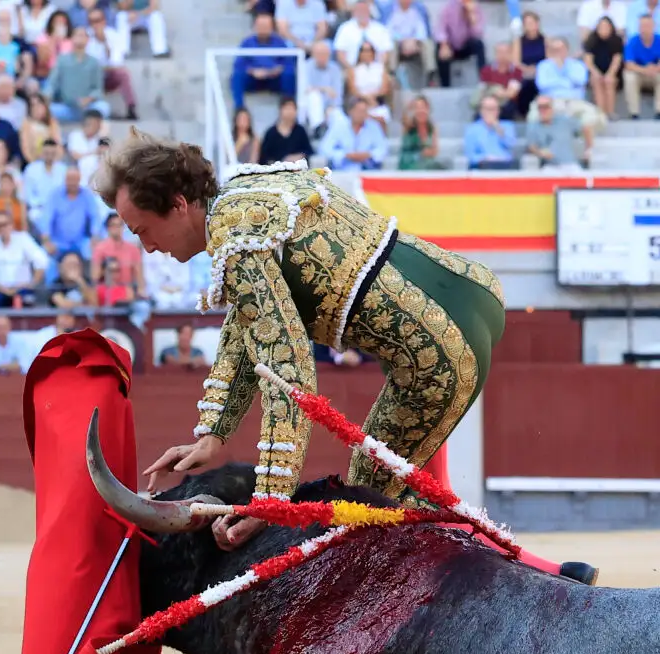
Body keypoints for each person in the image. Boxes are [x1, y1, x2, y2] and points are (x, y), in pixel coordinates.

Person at [99, 134, 597, 584]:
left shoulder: (236, 239)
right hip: (469, 291)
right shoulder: (244, 194)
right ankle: (556, 573)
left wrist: (272, 499)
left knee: (363, 506)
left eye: (144, 230)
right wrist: (214, 432)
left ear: (180, 204)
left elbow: (286, 371)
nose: (147, 247)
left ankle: (515, 597)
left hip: (438, 353)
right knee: (409, 494)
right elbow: (249, 326)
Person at [534, 36, 605, 143]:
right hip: (551, 102)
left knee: (594, 117)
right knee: (534, 116)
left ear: (566, 50)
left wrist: (559, 75)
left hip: (574, 102)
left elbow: (580, 81)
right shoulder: (543, 66)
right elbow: (542, 84)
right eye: (554, 50)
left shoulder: (578, 65)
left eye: (560, 49)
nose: (557, 52)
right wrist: (566, 81)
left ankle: (586, 148)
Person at [231, 13, 297, 110]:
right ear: (255, 26)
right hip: (254, 78)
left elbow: (288, 62)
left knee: (289, 74)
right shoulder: (247, 42)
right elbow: (239, 64)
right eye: (260, 26)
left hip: (274, 78)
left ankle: (288, 107)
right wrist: (252, 71)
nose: (263, 29)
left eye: (266, 26)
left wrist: (276, 70)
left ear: (272, 27)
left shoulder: (279, 42)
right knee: (236, 76)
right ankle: (239, 109)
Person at [0, 209, 48, 305]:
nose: (2, 228)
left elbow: (42, 260)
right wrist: (7, 291)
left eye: (4, 224)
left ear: (11, 225)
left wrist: (32, 283)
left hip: (23, 289)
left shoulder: (23, 238)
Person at [45, 26, 110, 121]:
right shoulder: (62, 60)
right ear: (72, 38)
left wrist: (88, 99)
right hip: (66, 107)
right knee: (48, 110)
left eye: (83, 35)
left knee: (104, 108)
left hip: (88, 107)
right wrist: (47, 97)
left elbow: (98, 89)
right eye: (77, 35)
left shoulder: (94, 62)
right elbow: (52, 83)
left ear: (88, 40)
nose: (80, 37)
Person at [85, 7, 138, 118]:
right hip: (90, 78)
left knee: (123, 74)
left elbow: (116, 63)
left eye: (98, 20)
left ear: (104, 21)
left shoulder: (113, 36)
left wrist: (104, 43)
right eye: (92, 21)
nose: (95, 24)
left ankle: (131, 108)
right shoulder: (85, 37)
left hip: (108, 76)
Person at [40, 166, 100, 258]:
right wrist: (46, 238)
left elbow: (95, 216)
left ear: (79, 179)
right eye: (69, 179)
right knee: (45, 255)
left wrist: (95, 235)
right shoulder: (55, 194)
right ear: (65, 179)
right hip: (58, 242)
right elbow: (47, 217)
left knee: (94, 251)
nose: (72, 183)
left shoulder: (87, 195)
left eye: (74, 179)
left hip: (80, 241)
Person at [320, 96, 388, 169]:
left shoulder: (374, 127)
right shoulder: (339, 126)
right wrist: (345, 155)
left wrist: (369, 155)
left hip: (368, 171)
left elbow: (383, 148)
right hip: (342, 171)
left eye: (364, 111)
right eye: (359, 111)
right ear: (350, 111)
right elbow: (324, 149)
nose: (362, 114)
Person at [435, 0, 486, 87]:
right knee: (439, 49)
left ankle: (483, 81)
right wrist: (444, 44)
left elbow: (478, 33)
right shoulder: (449, 7)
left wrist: (471, 16)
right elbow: (441, 29)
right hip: (451, 45)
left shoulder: (476, 8)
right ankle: (445, 85)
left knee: (479, 44)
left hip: (466, 45)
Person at [346, 39, 395, 128]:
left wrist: (373, 98)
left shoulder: (380, 68)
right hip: (359, 102)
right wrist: (367, 99)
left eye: (369, 50)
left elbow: (384, 88)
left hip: (377, 102)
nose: (366, 53)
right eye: (364, 51)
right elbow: (352, 89)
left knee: (380, 118)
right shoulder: (353, 70)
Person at [526, 95, 586, 166]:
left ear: (552, 107)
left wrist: (588, 148)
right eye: (540, 107)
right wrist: (540, 153)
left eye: (545, 107)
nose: (542, 110)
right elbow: (531, 147)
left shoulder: (564, 120)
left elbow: (585, 127)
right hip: (549, 166)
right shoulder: (533, 126)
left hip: (570, 164)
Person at [583, 16, 623, 118]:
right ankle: (601, 114)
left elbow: (616, 60)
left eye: (606, 26)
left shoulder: (617, 40)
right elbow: (588, 61)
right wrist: (596, 73)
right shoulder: (591, 40)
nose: (604, 29)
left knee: (610, 81)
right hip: (595, 71)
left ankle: (610, 112)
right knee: (597, 81)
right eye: (601, 26)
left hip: (612, 71)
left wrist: (610, 74)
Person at [388, 0, 437, 83]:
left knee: (428, 44)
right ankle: (392, 74)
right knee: (391, 45)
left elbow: (422, 31)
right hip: (399, 43)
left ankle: (430, 73)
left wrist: (414, 41)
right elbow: (389, 32)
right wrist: (402, 41)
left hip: (414, 43)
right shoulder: (393, 13)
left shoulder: (416, 13)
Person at [333, 0, 393, 67]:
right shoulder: (344, 29)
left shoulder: (381, 30)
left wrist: (377, 69)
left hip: (376, 70)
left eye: (364, 10)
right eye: (359, 10)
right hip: (351, 70)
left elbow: (385, 53)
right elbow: (340, 53)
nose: (362, 12)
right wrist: (350, 69)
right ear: (354, 12)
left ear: (369, 11)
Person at [23, 136, 66, 227]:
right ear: (42, 153)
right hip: (38, 209)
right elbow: (28, 194)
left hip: (59, 209)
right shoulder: (31, 169)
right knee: (35, 216)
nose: (49, 156)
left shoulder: (63, 169)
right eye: (47, 153)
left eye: (52, 153)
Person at [464, 95, 518, 167]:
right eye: (487, 109)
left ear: (498, 111)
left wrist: (497, 127)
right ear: (481, 111)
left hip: (505, 165)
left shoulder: (508, 126)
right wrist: (485, 158)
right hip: (482, 167)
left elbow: (511, 145)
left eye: (493, 109)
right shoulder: (472, 129)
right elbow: (470, 155)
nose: (490, 112)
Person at [302, 39, 343, 134]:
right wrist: (325, 89)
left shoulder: (335, 69)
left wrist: (331, 107)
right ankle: (317, 129)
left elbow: (337, 94)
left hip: (330, 107)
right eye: (319, 54)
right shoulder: (305, 67)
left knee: (339, 118)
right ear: (313, 54)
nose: (322, 57)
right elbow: (306, 90)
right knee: (314, 96)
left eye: (325, 54)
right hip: (309, 106)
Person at [623, 13, 660, 116]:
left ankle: (659, 111)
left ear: (653, 26)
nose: (645, 29)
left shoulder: (659, 40)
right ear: (639, 27)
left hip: (655, 73)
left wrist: (655, 69)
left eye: (648, 26)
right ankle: (634, 113)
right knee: (629, 76)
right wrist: (645, 70)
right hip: (639, 73)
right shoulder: (632, 41)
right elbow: (629, 64)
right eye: (642, 26)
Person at [259, 96, 314, 164]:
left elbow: (309, 151)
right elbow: (264, 157)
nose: (290, 112)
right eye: (287, 108)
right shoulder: (271, 133)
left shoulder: (300, 131)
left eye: (292, 109)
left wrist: (299, 156)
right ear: (280, 110)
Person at [512, 9, 546, 115]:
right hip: (524, 72)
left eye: (532, 23)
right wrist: (526, 69)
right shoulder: (518, 42)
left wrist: (537, 69)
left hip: (541, 71)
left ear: (537, 23)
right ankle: (523, 113)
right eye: (527, 23)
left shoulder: (545, 40)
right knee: (525, 84)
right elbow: (515, 61)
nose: (529, 26)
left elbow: (549, 60)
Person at [477, 40, 522, 119]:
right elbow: (482, 90)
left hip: (507, 104)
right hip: (489, 102)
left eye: (506, 52)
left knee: (509, 108)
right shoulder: (486, 70)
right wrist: (496, 93)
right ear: (495, 54)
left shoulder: (516, 71)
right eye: (500, 52)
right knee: (479, 114)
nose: (503, 55)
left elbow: (512, 93)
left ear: (511, 54)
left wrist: (499, 93)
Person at [398, 93, 444, 168]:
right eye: (417, 108)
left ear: (428, 109)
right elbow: (403, 119)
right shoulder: (409, 126)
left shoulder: (432, 127)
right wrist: (406, 108)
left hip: (426, 164)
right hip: (409, 165)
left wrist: (426, 153)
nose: (420, 110)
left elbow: (435, 150)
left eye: (423, 107)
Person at [67, 107, 106, 186]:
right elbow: (75, 156)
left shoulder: (99, 139)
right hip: (78, 171)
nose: (99, 127)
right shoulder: (75, 135)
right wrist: (94, 152)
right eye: (96, 124)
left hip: (95, 175)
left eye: (99, 124)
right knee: (87, 162)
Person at [20, 92, 62, 163]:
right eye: (33, 105)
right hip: (33, 161)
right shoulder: (26, 124)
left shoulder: (52, 122)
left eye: (39, 104)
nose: (36, 108)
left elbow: (58, 144)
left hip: (52, 161)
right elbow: (25, 148)